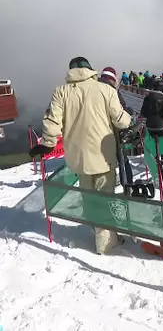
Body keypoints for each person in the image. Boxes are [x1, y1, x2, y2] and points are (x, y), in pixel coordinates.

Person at [28, 57, 132, 254]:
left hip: (78, 158)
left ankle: (97, 229)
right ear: (89, 69)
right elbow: (120, 120)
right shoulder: (106, 90)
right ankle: (106, 244)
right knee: (104, 196)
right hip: (103, 156)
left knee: (88, 196)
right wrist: (130, 120)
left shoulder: (61, 92)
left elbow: (52, 121)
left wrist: (47, 144)